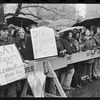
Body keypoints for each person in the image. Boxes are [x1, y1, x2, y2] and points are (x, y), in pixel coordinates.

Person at [0, 23, 17, 97]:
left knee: (12, 94)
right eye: (4, 30)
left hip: (10, 74)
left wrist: (22, 61)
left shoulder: (11, 40)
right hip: (1, 75)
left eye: (7, 30)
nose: (6, 32)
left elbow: (16, 53)